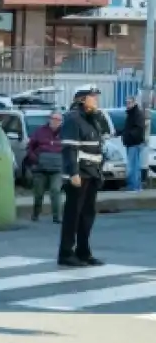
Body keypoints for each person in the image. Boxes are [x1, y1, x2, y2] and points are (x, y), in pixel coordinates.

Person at [58, 85, 105, 267]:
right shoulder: (73, 119)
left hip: (92, 173)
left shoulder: (93, 119)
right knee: (73, 215)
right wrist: (73, 173)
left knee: (87, 215)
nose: (96, 100)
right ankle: (66, 253)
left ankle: (83, 252)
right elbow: (69, 149)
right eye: (93, 96)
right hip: (79, 175)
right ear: (82, 99)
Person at [26, 111, 65, 223]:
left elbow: (69, 149)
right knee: (38, 193)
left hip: (57, 168)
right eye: (53, 118)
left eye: (58, 119)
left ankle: (57, 217)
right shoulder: (40, 131)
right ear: (49, 119)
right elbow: (30, 147)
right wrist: (35, 158)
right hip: (40, 168)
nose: (55, 121)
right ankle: (36, 214)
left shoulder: (65, 133)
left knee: (55, 190)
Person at [123, 95, 147, 192]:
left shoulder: (137, 114)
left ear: (134, 103)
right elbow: (129, 128)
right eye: (127, 102)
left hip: (134, 144)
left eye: (129, 102)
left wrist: (128, 135)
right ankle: (133, 186)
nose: (127, 104)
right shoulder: (131, 114)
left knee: (133, 166)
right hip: (131, 143)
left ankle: (135, 187)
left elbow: (138, 129)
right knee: (133, 166)